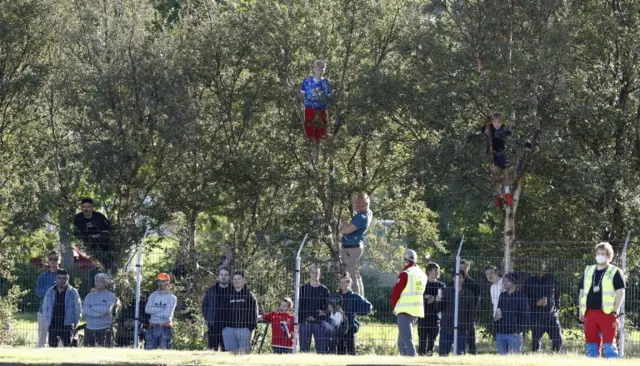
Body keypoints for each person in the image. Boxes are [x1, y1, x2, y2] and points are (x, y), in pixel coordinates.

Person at [579, 242, 625, 358]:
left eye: (603, 253)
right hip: (589, 313)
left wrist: (615, 309)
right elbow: (581, 291)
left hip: (608, 313)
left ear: (609, 256)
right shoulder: (588, 270)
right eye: (598, 253)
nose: (600, 255)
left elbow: (620, 292)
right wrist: (581, 310)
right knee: (591, 344)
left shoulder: (615, 271)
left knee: (609, 345)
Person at [390, 249, 427, 357]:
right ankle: (404, 358)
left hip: (404, 309)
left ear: (405, 260)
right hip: (416, 310)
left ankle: (412, 358)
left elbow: (395, 293)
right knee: (402, 339)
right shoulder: (422, 274)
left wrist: (393, 307)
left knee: (406, 339)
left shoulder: (405, 274)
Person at [521, 260, 562, 352]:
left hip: (552, 316)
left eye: (542, 267)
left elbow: (557, 297)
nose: (541, 270)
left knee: (558, 339)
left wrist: (557, 310)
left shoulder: (552, 279)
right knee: (536, 343)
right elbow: (523, 299)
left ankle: (556, 357)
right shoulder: (528, 281)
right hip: (536, 316)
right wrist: (536, 303)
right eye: (538, 268)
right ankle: (536, 359)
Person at [300, 59, 331, 167]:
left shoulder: (325, 82)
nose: (320, 72)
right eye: (318, 69)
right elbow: (301, 94)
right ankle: (310, 162)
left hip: (321, 111)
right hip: (309, 110)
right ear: (314, 69)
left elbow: (329, 97)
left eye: (322, 70)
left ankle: (317, 162)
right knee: (310, 137)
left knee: (320, 138)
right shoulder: (307, 81)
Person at [340, 192, 373, 296]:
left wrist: (344, 220)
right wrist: (353, 196)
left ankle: (355, 300)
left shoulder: (361, 217)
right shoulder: (367, 211)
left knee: (351, 276)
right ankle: (360, 297)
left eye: (359, 203)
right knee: (356, 274)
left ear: (365, 204)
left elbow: (346, 231)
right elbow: (355, 206)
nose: (356, 205)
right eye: (356, 202)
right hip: (356, 246)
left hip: (351, 249)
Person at [221, 270, 259, 355]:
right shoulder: (227, 296)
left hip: (244, 329)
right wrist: (223, 327)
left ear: (244, 280)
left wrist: (250, 327)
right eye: (234, 279)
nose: (236, 281)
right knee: (231, 355)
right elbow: (222, 312)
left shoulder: (249, 296)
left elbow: (254, 313)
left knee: (244, 355)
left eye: (239, 279)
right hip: (229, 329)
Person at [42, 269, 82, 348]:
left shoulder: (73, 292)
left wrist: (75, 323)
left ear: (68, 279)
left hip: (67, 323)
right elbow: (45, 307)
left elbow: (78, 308)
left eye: (64, 278)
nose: (61, 280)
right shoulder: (50, 291)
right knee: (52, 347)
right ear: (56, 279)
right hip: (53, 323)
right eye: (59, 278)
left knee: (68, 347)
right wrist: (47, 320)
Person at [336, 272, 373, 355]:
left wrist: (358, 312)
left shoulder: (355, 296)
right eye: (340, 282)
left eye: (344, 282)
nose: (342, 284)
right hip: (338, 326)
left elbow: (368, 306)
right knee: (340, 350)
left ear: (349, 283)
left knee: (351, 351)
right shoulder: (336, 296)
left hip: (350, 326)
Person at [438, 273, 475, 356]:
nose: (458, 278)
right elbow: (438, 308)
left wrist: (468, 328)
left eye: (460, 276)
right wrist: (438, 301)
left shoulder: (469, 294)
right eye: (456, 276)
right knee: (443, 354)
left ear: (463, 279)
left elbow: (471, 313)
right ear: (453, 278)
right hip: (446, 327)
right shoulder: (446, 291)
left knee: (460, 354)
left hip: (461, 329)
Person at [481, 112, 513, 207]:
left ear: (502, 122)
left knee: (506, 173)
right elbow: (484, 130)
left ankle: (507, 193)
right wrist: (486, 129)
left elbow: (511, 135)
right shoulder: (489, 128)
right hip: (492, 155)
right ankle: (499, 195)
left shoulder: (503, 129)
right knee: (495, 175)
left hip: (501, 154)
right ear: (491, 122)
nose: (497, 124)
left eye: (499, 122)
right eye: (494, 122)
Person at [494, 273, 530, 355]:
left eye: (506, 281)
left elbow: (525, 317)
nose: (503, 283)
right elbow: (498, 313)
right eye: (503, 281)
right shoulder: (502, 296)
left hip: (514, 335)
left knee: (514, 360)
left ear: (513, 282)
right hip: (501, 334)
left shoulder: (522, 297)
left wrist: (518, 331)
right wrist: (497, 328)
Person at [299, 264, 330, 353]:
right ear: (309, 273)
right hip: (305, 322)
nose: (315, 274)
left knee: (321, 350)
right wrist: (300, 322)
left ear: (320, 274)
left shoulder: (324, 290)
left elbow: (329, 307)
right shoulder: (303, 288)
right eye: (313, 272)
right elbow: (299, 306)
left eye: (317, 272)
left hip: (319, 323)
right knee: (304, 350)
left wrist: (324, 312)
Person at [82, 273, 119, 347]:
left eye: (101, 281)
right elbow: (84, 310)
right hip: (90, 328)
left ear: (106, 283)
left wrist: (91, 309)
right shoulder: (89, 296)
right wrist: (98, 314)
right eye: (96, 280)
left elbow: (106, 309)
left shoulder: (111, 296)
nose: (97, 283)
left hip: (104, 328)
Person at [73, 197, 112, 266]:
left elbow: (108, 228)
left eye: (88, 207)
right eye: (84, 207)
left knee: (105, 237)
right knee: (91, 242)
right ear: (81, 207)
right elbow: (77, 233)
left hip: (102, 240)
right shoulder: (78, 218)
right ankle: (101, 263)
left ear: (92, 207)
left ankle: (108, 259)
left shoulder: (99, 216)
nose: (86, 209)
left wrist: (99, 235)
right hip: (88, 242)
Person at [418, 262, 445, 356]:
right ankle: (421, 355)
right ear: (428, 271)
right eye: (435, 271)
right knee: (422, 339)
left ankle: (429, 355)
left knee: (432, 340)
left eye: (438, 271)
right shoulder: (422, 284)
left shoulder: (441, 285)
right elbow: (420, 296)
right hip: (423, 316)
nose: (437, 272)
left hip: (435, 316)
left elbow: (440, 299)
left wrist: (430, 297)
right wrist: (431, 298)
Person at [144, 273, 177, 350]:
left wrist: (154, 310)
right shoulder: (153, 295)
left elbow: (166, 315)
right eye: (159, 281)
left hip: (165, 328)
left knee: (164, 353)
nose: (160, 283)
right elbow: (147, 310)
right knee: (149, 353)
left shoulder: (172, 298)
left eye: (163, 281)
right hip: (152, 327)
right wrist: (162, 308)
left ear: (168, 282)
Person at [35, 250, 61, 348]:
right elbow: (38, 292)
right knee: (42, 339)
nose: (53, 261)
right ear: (48, 261)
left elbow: (64, 291)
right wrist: (51, 289)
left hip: (59, 310)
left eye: (55, 259)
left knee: (58, 339)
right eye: (51, 259)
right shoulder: (42, 276)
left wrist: (48, 291)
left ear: (59, 261)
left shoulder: (63, 275)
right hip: (43, 310)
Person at [202, 267, 232, 351]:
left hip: (228, 327)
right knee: (211, 351)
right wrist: (208, 319)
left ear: (229, 277)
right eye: (221, 274)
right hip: (213, 325)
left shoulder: (233, 291)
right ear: (218, 276)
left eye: (226, 275)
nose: (223, 277)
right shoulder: (211, 291)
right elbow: (205, 306)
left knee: (226, 352)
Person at [457, 259, 480, 355]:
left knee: (471, 343)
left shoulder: (474, 284)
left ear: (468, 269)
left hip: (469, 317)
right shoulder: (453, 283)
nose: (462, 269)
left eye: (464, 268)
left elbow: (476, 302)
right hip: (457, 317)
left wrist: (472, 315)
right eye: (461, 268)